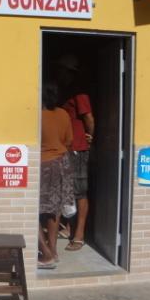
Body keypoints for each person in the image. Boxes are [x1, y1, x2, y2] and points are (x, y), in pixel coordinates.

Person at [55, 55, 95, 252]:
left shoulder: (80, 94)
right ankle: (69, 228)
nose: (59, 74)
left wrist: (90, 137)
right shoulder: (66, 92)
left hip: (78, 149)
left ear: (69, 72)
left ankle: (79, 235)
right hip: (66, 147)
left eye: (62, 70)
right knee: (68, 189)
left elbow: (89, 118)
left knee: (79, 191)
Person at [39, 82, 74, 269]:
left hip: (44, 165)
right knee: (54, 209)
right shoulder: (63, 114)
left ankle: (46, 254)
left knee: (33, 210)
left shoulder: (37, 116)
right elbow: (69, 141)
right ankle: (54, 251)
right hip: (62, 164)